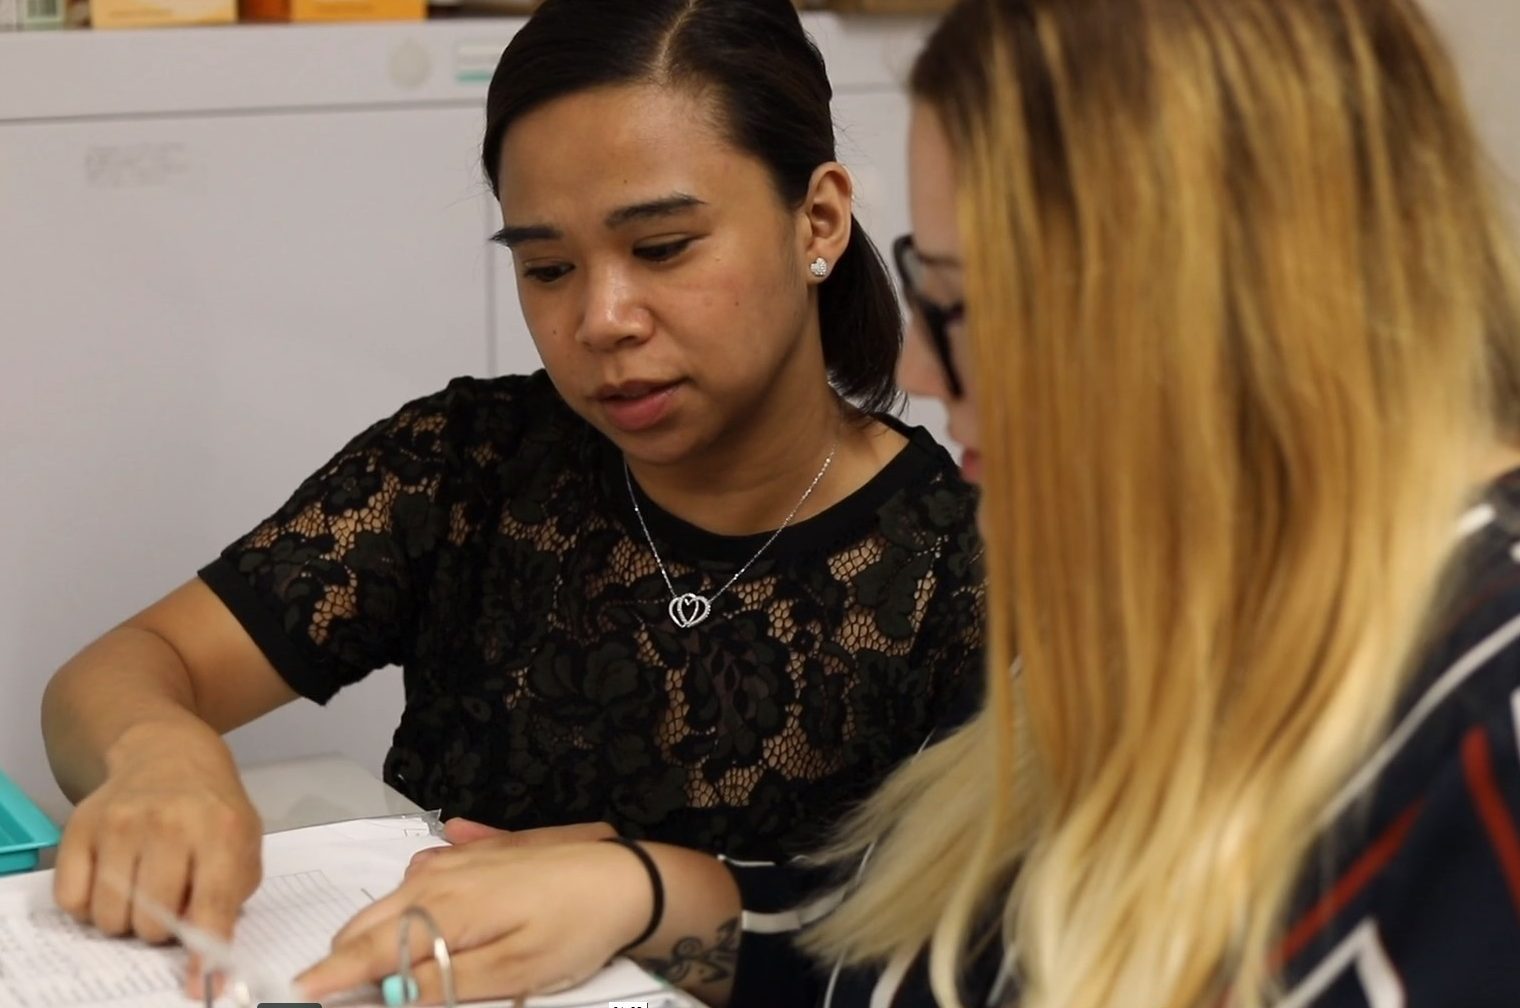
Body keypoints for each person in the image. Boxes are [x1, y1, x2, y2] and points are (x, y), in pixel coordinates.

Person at [38, 1, 984, 1004]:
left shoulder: (961, 558)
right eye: (547, 268)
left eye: (662, 247)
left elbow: (969, 956)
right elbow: (119, 673)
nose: (600, 319)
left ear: (819, 221)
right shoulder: (471, 464)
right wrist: (158, 753)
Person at [798, 0, 1520, 1006]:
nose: (918, 365)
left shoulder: (1480, 730)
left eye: (965, 300)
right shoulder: (1179, 578)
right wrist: (665, 895)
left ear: (1204, 309)